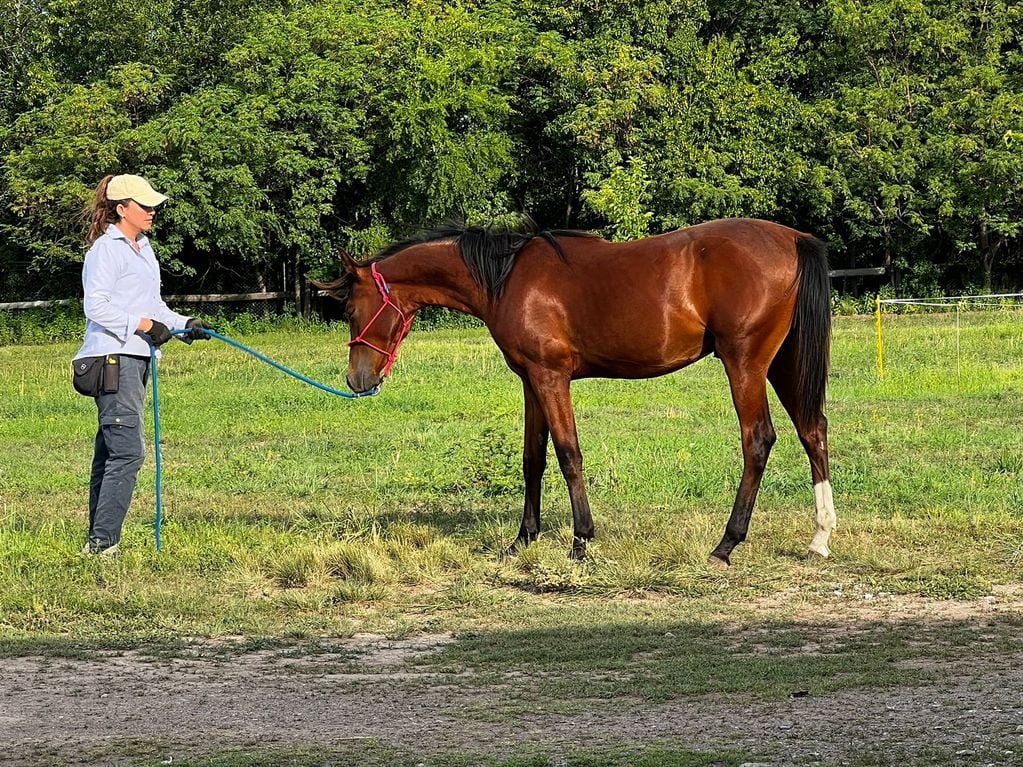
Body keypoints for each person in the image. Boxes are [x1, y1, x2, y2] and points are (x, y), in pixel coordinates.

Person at [73, 174, 212, 556]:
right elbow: (96, 306)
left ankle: (97, 540)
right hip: (111, 358)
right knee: (127, 451)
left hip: (134, 357)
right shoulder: (107, 250)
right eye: (144, 205)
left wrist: (185, 326)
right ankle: (103, 545)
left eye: (152, 205)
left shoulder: (143, 248)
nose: (152, 211)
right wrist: (147, 326)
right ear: (122, 209)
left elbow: (153, 306)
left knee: (111, 450)